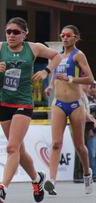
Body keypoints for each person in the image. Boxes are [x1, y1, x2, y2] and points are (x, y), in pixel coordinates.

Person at [0, 17, 62, 203]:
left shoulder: (33, 48)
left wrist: (46, 72)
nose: (11, 35)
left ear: (25, 34)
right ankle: (37, 178)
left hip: (23, 103)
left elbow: (57, 55)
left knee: (11, 147)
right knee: (19, 150)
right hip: (4, 104)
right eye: (8, 32)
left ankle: (3, 189)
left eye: (16, 32)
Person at [43, 25, 94, 196]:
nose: (64, 38)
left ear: (75, 38)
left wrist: (71, 79)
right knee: (56, 143)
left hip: (75, 104)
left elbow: (90, 78)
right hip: (58, 103)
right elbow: (54, 73)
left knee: (79, 145)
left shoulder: (78, 55)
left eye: (68, 35)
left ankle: (87, 174)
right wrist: (50, 86)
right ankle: (52, 180)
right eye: (62, 35)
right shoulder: (56, 56)